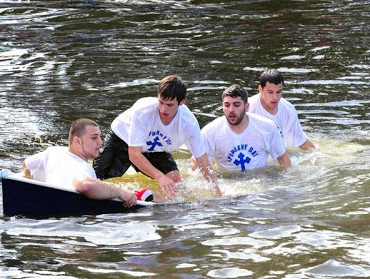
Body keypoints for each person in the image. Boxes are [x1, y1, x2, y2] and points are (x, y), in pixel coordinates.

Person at [93, 75, 222, 198]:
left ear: (182, 102)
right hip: (122, 140)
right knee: (96, 180)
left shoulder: (189, 123)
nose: (163, 109)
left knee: (176, 183)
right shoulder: (143, 111)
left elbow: (202, 159)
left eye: (170, 105)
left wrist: (216, 190)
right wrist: (160, 177)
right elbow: (134, 154)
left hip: (154, 149)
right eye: (161, 102)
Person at [22, 118, 137, 208]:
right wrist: (120, 193)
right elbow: (85, 185)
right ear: (77, 141)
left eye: (100, 137)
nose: (101, 142)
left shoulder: (53, 151)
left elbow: (26, 165)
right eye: (94, 138)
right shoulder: (83, 167)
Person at [192, 84, 291, 173]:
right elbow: (196, 167)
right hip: (227, 180)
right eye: (227, 105)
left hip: (260, 179)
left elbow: (283, 159)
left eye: (236, 105)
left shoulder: (267, 127)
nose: (231, 110)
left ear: (247, 107)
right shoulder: (209, 132)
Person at [249, 69, 315, 150]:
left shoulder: (288, 110)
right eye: (270, 92)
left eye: (278, 92)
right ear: (260, 89)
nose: (275, 97)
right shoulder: (247, 108)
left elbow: (301, 141)